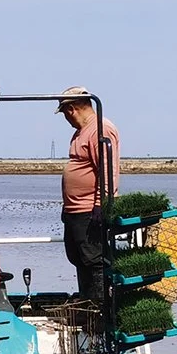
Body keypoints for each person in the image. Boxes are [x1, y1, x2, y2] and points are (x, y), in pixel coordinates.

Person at [57, 86, 121, 303]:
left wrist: (99, 205)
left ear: (71, 110)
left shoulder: (100, 129)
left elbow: (107, 170)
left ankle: (98, 306)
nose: (66, 118)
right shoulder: (80, 133)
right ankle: (86, 301)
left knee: (94, 260)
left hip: (89, 210)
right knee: (78, 257)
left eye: (65, 113)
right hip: (74, 211)